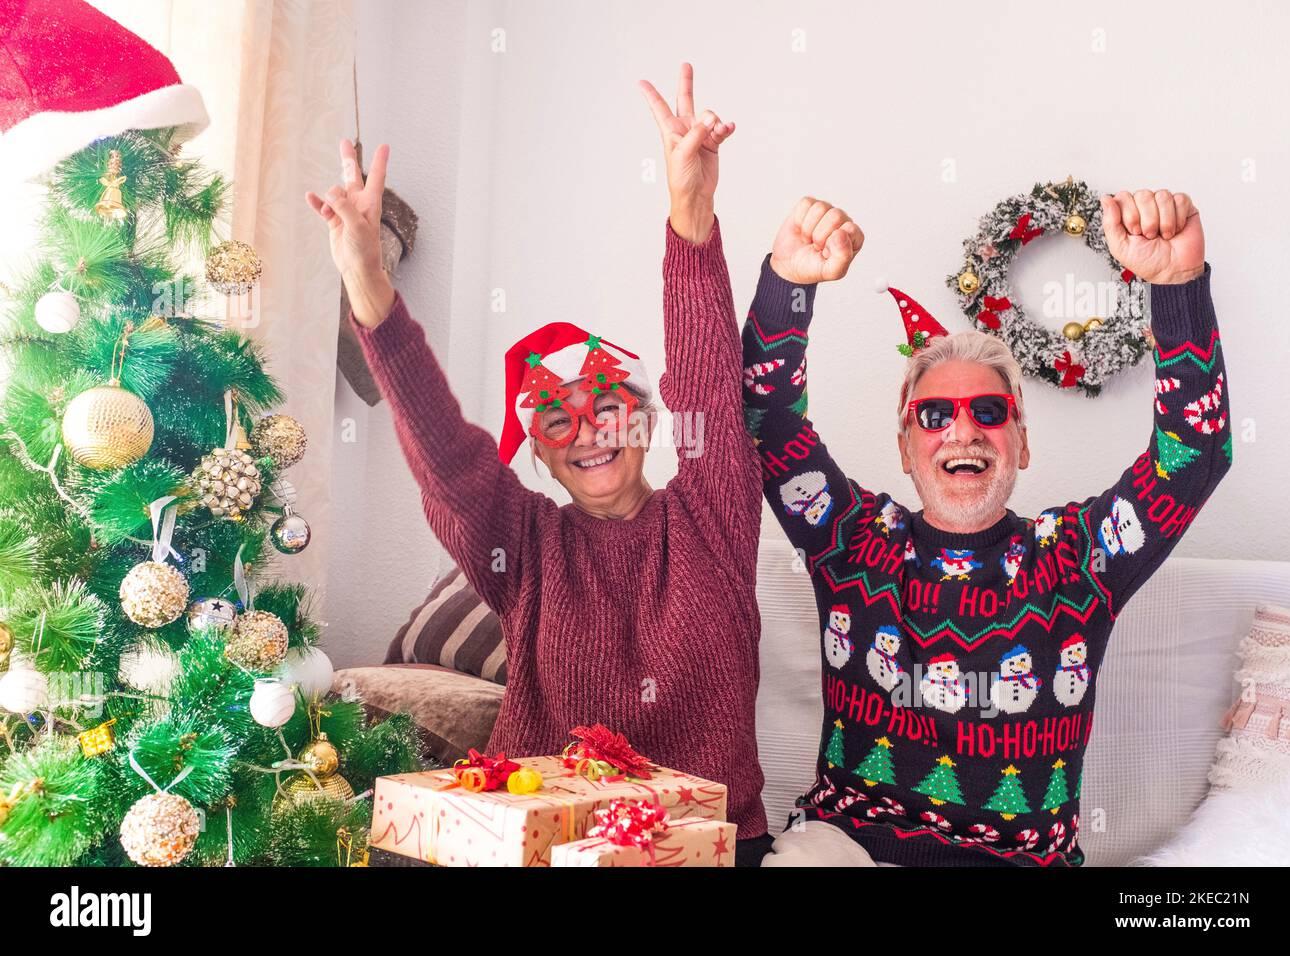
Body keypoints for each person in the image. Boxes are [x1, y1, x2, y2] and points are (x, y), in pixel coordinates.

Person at [305, 64, 778, 864]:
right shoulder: (523, 546)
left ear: (648, 421)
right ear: (545, 459)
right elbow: (448, 461)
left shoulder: (711, 512)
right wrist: (369, 288)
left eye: (606, 406)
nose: (587, 429)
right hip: (541, 842)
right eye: (556, 419)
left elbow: (707, 386)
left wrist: (690, 213)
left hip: (703, 847)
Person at [743, 191, 1231, 865]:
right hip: (846, 849)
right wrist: (788, 284)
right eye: (935, 414)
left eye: (990, 411)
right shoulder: (853, 542)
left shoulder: (1077, 559)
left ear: (1021, 446)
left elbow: (1193, 458)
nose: (962, 430)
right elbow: (768, 424)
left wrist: (1176, 287)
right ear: (906, 448)